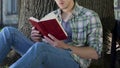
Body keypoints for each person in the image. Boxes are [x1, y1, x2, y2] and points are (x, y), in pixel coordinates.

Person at [0, 0, 103, 68]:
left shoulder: (90, 16)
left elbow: (95, 53)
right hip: (46, 54)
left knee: (41, 48)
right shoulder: (51, 16)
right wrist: (36, 37)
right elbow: (42, 42)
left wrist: (65, 46)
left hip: (73, 60)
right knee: (8, 32)